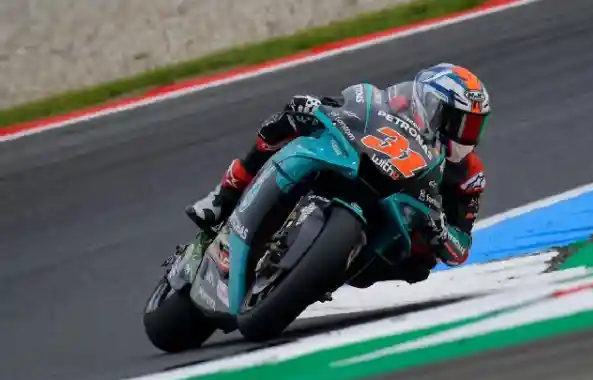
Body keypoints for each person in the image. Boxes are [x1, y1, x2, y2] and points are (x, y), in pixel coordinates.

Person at [186, 63, 490, 285]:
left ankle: (318, 273)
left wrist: (442, 232)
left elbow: (461, 247)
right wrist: (323, 107)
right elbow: (361, 103)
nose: (466, 135)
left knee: (419, 266)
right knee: (293, 117)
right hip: (364, 163)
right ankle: (224, 195)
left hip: (397, 230)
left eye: (474, 126)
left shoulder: (469, 174)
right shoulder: (399, 102)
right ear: (432, 107)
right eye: (459, 122)